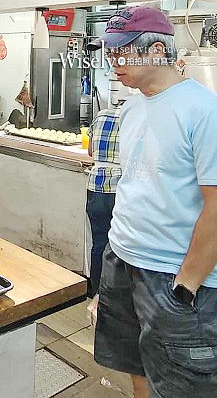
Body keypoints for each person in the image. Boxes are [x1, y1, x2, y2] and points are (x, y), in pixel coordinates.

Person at [86, 6, 217, 398]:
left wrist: (186, 285)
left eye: (121, 52)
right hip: (123, 260)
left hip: (172, 275)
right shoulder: (133, 106)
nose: (113, 62)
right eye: (109, 53)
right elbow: (135, 184)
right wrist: (113, 260)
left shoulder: (207, 112)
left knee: (184, 386)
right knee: (136, 366)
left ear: (157, 51)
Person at [85, 106, 120, 298]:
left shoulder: (101, 115)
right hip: (120, 188)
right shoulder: (136, 116)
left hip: (96, 186)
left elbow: (91, 151)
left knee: (99, 242)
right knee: (119, 246)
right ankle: (114, 295)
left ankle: (96, 292)